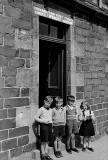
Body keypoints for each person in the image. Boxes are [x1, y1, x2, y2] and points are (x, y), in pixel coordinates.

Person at [35, 96, 53, 160]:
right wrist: (43, 121)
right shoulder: (41, 109)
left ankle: (46, 153)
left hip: (49, 126)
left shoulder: (51, 110)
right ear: (44, 101)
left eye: (50, 103)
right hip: (43, 126)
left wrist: (52, 125)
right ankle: (43, 154)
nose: (48, 104)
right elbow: (36, 118)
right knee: (43, 141)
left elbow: (51, 118)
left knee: (47, 141)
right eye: (47, 103)